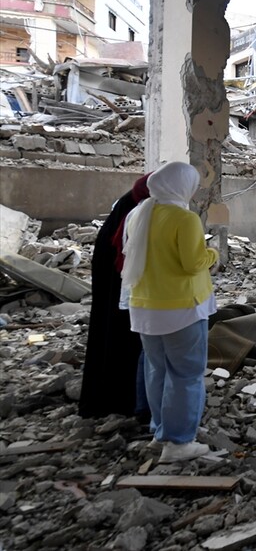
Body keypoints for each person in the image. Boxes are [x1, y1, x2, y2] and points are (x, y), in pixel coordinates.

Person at [122, 162, 220, 463]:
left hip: (144, 308)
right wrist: (213, 253)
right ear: (183, 187)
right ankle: (178, 443)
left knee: (157, 371)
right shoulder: (184, 218)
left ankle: (161, 431)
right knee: (186, 375)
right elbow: (192, 263)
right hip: (181, 309)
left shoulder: (137, 214)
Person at [79, 174, 152, 421]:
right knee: (126, 344)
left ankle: (117, 399)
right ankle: (125, 402)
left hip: (119, 296)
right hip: (126, 297)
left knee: (115, 339)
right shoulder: (138, 215)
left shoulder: (127, 210)